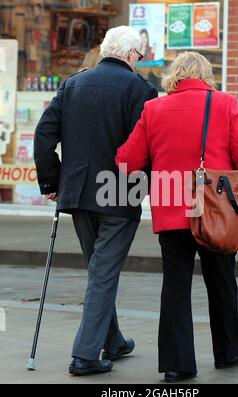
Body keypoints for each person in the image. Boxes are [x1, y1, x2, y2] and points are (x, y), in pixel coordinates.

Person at [116, 52, 238, 383]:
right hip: (217, 210)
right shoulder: (224, 104)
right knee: (223, 281)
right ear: (206, 75)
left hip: (171, 210)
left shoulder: (154, 109)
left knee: (175, 285)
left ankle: (177, 365)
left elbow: (128, 159)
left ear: (174, 76)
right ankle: (227, 353)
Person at [34, 26, 158, 377]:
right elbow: (148, 146)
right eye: (140, 54)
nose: (140, 59)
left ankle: (113, 341)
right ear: (131, 53)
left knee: (98, 269)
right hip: (119, 193)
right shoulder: (141, 89)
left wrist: (51, 180)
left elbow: (44, 135)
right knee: (102, 272)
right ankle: (85, 356)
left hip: (77, 192)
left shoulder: (73, 83)